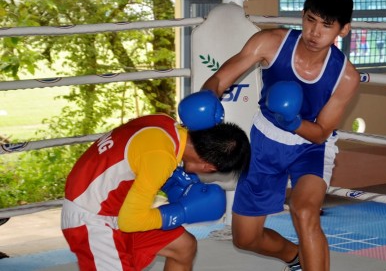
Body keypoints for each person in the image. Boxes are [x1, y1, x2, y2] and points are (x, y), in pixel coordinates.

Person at [202, 0, 360, 271]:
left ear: (343, 29)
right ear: (302, 16)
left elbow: (322, 131)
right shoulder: (270, 42)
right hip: (265, 143)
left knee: (304, 210)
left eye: (326, 25)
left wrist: (294, 122)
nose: (314, 32)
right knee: (245, 238)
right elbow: (220, 79)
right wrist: (207, 99)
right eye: (310, 20)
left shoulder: (346, 77)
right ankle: (295, 256)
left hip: (310, 147)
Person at [61, 90, 251, 271]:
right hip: (91, 218)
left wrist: (170, 181)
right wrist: (179, 213)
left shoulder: (165, 123)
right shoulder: (161, 159)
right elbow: (130, 221)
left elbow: (135, 157)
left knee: (183, 247)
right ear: (209, 167)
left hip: (110, 204)